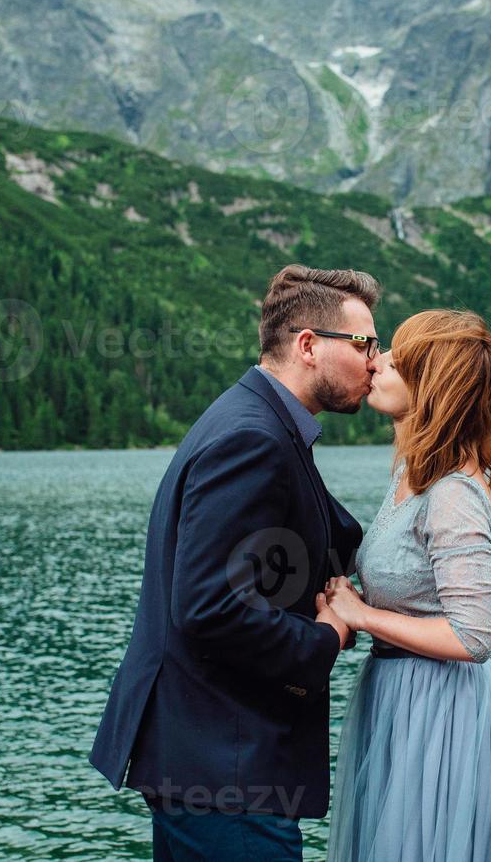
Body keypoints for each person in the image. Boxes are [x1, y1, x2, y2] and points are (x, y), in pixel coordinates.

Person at [88, 264, 383, 861]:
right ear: (307, 345)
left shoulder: (262, 422)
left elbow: (316, 538)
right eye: (365, 343)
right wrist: (323, 636)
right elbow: (207, 607)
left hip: (211, 762)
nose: (375, 360)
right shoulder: (252, 437)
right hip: (227, 767)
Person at [322, 309, 491, 861]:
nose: (380, 360)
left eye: (399, 357)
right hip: (401, 693)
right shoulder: (411, 474)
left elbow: (473, 637)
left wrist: (361, 615)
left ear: (431, 386)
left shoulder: (452, 492)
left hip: (441, 709)